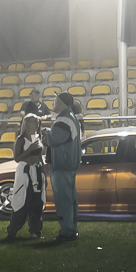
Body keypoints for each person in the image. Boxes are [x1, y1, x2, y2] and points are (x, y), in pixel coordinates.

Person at [48, 91, 83, 241]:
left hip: (62, 165)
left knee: (63, 200)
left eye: (55, 99)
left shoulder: (63, 119)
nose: (53, 102)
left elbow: (53, 139)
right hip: (69, 165)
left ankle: (67, 231)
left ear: (61, 102)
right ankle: (71, 229)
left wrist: (46, 135)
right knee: (70, 199)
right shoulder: (71, 116)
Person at [4, 114, 45, 239]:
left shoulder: (37, 137)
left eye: (37, 122)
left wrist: (43, 174)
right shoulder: (21, 139)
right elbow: (17, 158)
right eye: (34, 122)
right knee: (22, 202)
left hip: (37, 172)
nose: (36, 124)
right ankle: (12, 230)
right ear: (26, 124)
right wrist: (30, 150)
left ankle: (35, 230)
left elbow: (39, 157)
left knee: (37, 203)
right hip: (25, 173)